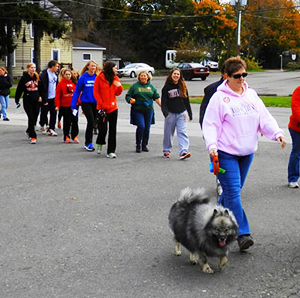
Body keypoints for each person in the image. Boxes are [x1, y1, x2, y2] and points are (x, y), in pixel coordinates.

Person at [202, 57, 286, 251]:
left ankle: (212, 218)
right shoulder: (218, 98)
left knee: (232, 194)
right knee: (233, 194)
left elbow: (264, 118)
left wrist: (277, 133)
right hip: (225, 153)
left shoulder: (252, 95)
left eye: (244, 74)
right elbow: (210, 124)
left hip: (247, 152)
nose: (241, 79)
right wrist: (212, 146)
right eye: (237, 76)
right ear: (226, 76)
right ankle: (243, 234)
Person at [200, 64, 225, 197]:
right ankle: (220, 181)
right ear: (224, 73)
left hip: (233, 134)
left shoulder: (244, 89)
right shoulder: (212, 89)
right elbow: (204, 110)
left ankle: (231, 182)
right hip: (216, 131)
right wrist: (204, 130)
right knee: (217, 156)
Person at [125, 71, 161, 153]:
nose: (143, 77)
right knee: (141, 126)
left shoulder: (151, 87)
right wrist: (130, 100)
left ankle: (144, 145)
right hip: (138, 109)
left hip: (148, 110)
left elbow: (156, 97)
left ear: (148, 77)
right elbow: (128, 96)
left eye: (145, 76)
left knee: (147, 128)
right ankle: (138, 144)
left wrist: (163, 107)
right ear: (139, 77)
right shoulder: (134, 86)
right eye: (141, 76)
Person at [161, 68, 192, 160]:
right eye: (174, 74)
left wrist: (189, 113)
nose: (176, 76)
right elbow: (164, 102)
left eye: (178, 74)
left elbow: (187, 100)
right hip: (170, 113)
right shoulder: (166, 87)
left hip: (182, 113)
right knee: (168, 133)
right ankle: (166, 150)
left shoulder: (183, 86)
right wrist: (165, 113)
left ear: (180, 76)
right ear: (171, 75)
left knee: (182, 132)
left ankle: (183, 151)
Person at [93, 61, 123, 158]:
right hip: (102, 108)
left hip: (113, 107)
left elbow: (118, 93)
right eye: (115, 68)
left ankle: (111, 151)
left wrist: (119, 87)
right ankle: (100, 142)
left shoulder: (115, 78)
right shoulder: (99, 78)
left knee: (113, 129)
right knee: (103, 129)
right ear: (110, 68)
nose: (116, 70)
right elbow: (96, 92)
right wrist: (101, 103)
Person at [71, 60, 99, 151]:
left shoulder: (97, 77)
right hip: (86, 103)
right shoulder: (83, 78)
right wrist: (73, 105)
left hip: (96, 103)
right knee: (90, 121)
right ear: (88, 67)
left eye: (94, 66)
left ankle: (94, 141)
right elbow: (77, 92)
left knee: (95, 122)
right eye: (91, 66)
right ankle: (88, 143)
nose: (93, 68)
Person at [15, 63, 42, 144]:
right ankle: (33, 136)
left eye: (34, 67)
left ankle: (29, 130)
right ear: (28, 69)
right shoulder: (24, 78)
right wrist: (17, 100)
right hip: (28, 100)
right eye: (31, 67)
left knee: (35, 116)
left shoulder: (37, 78)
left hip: (36, 100)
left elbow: (42, 89)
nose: (33, 69)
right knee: (31, 117)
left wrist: (41, 97)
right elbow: (19, 89)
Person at [55, 68, 79, 143]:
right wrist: (57, 105)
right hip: (65, 106)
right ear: (63, 75)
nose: (68, 76)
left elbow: (77, 94)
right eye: (66, 74)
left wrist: (79, 102)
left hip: (74, 106)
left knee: (75, 121)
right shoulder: (60, 84)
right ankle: (66, 136)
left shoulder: (74, 84)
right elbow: (58, 95)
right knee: (67, 121)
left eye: (69, 74)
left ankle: (74, 136)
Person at [39, 60, 60, 136]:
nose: (58, 68)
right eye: (57, 66)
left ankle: (52, 128)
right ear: (52, 66)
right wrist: (43, 97)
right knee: (44, 112)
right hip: (46, 97)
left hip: (53, 97)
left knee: (54, 113)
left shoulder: (55, 74)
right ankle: (42, 124)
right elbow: (42, 87)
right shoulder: (44, 75)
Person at [287, 85, 300, 188]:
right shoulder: (298, 90)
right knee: (297, 153)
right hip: (297, 128)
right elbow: (295, 108)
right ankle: (293, 178)